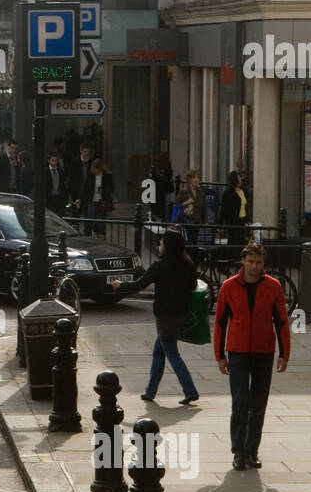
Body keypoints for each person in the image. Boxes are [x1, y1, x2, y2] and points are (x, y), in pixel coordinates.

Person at [214, 241, 290, 470]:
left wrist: (284, 353)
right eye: (251, 261)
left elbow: (282, 322)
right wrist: (219, 355)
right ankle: (238, 451)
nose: (255, 266)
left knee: (258, 404)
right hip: (237, 351)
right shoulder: (229, 286)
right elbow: (219, 322)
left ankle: (251, 451)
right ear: (243, 261)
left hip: (264, 351)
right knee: (240, 402)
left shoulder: (273, 286)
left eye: (258, 262)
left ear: (263, 263)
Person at [110, 228, 199, 405]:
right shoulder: (187, 264)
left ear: (168, 245)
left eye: (161, 242)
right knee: (159, 352)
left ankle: (190, 390)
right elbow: (193, 285)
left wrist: (120, 285)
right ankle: (150, 392)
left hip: (165, 316)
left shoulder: (160, 266)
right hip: (180, 314)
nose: (159, 245)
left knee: (172, 353)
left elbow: (139, 285)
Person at [218, 171, 249, 244]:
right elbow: (224, 208)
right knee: (234, 240)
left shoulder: (243, 191)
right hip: (233, 220)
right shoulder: (228, 192)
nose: (240, 180)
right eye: (239, 178)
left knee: (241, 241)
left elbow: (245, 205)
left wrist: (248, 219)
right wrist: (221, 224)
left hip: (243, 220)